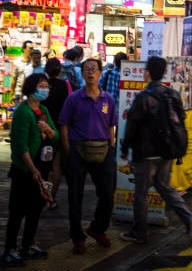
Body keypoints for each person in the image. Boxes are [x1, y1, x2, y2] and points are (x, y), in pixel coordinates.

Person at [119, 56, 192, 244]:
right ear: (164, 73)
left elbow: (132, 126)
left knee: (141, 194)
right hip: (167, 151)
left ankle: (139, 231)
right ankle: (189, 218)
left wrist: (124, 148)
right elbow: (181, 118)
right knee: (165, 187)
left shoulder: (143, 97)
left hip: (146, 153)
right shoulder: (173, 95)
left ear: (147, 72)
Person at [58, 57, 118, 255]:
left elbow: (112, 125)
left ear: (100, 73)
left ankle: (97, 229)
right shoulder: (73, 98)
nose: (90, 72)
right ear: (82, 74)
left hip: (103, 150)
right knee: (75, 196)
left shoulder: (107, 99)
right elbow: (64, 125)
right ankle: (77, 237)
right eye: (87, 69)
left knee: (108, 195)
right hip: (78, 150)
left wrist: (112, 145)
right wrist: (68, 150)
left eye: (94, 69)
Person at [1, 73, 59, 266]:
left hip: (41, 167)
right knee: (17, 210)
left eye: (47, 86)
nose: (45, 89)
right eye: (42, 85)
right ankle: (9, 249)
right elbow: (20, 146)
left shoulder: (43, 110)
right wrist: (33, 169)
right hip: (25, 170)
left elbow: (56, 136)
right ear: (32, 88)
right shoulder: (22, 112)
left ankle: (28, 245)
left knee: (35, 209)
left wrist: (48, 130)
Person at [42, 57, 71, 211]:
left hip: (44, 131)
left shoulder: (43, 86)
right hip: (59, 131)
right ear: (60, 70)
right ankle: (51, 198)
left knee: (44, 166)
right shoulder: (65, 85)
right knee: (56, 167)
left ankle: (42, 196)